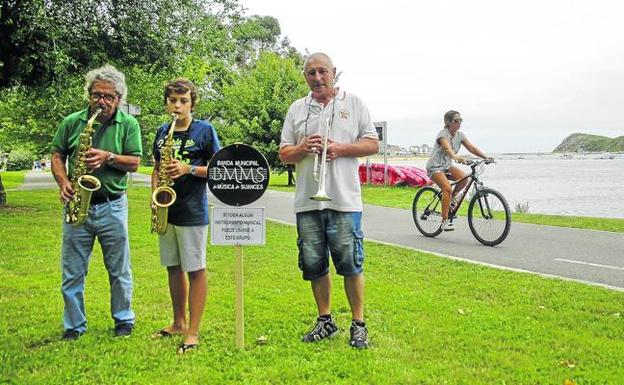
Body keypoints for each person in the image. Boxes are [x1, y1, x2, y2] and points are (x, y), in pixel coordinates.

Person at [279, 52, 379, 349]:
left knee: (351, 263)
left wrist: (342, 149)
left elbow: (372, 143)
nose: (317, 78)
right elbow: (284, 153)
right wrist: (301, 148)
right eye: (311, 73)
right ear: (305, 76)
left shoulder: (354, 103)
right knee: (314, 264)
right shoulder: (296, 108)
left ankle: (358, 324)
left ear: (334, 72)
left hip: (344, 200)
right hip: (308, 202)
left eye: (323, 71)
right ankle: (325, 320)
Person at [51, 64, 142, 340]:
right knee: (72, 272)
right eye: (96, 95)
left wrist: (108, 157)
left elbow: (136, 162)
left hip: (113, 205)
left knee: (119, 270)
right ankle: (74, 326)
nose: (101, 101)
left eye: (108, 97)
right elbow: (57, 154)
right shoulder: (71, 122)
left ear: (119, 99)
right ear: (89, 95)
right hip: (78, 204)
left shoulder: (129, 124)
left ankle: (124, 320)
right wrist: (64, 182)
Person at [150, 78, 221, 354]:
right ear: (167, 102)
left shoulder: (205, 130)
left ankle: (193, 331)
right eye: (172, 100)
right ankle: (178, 322)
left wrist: (188, 169)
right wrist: (155, 196)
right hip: (168, 209)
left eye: (183, 101)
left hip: (192, 210)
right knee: (172, 267)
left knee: (195, 269)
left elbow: (219, 167)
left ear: (192, 103)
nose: (177, 106)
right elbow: (156, 167)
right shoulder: (161, 131)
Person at [425, 110, 491, 231]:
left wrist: (486, 157)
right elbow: (447, 147)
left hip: (446, 166)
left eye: (460, 120)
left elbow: (471, 148)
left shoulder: (460, 135)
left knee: (464, 179)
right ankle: (444, 221)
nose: (459, 123)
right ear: (448, 122)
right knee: (447, 189)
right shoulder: (442, 134)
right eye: (456, 120)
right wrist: (455, 157)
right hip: (435, 167)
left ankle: (452, 199)